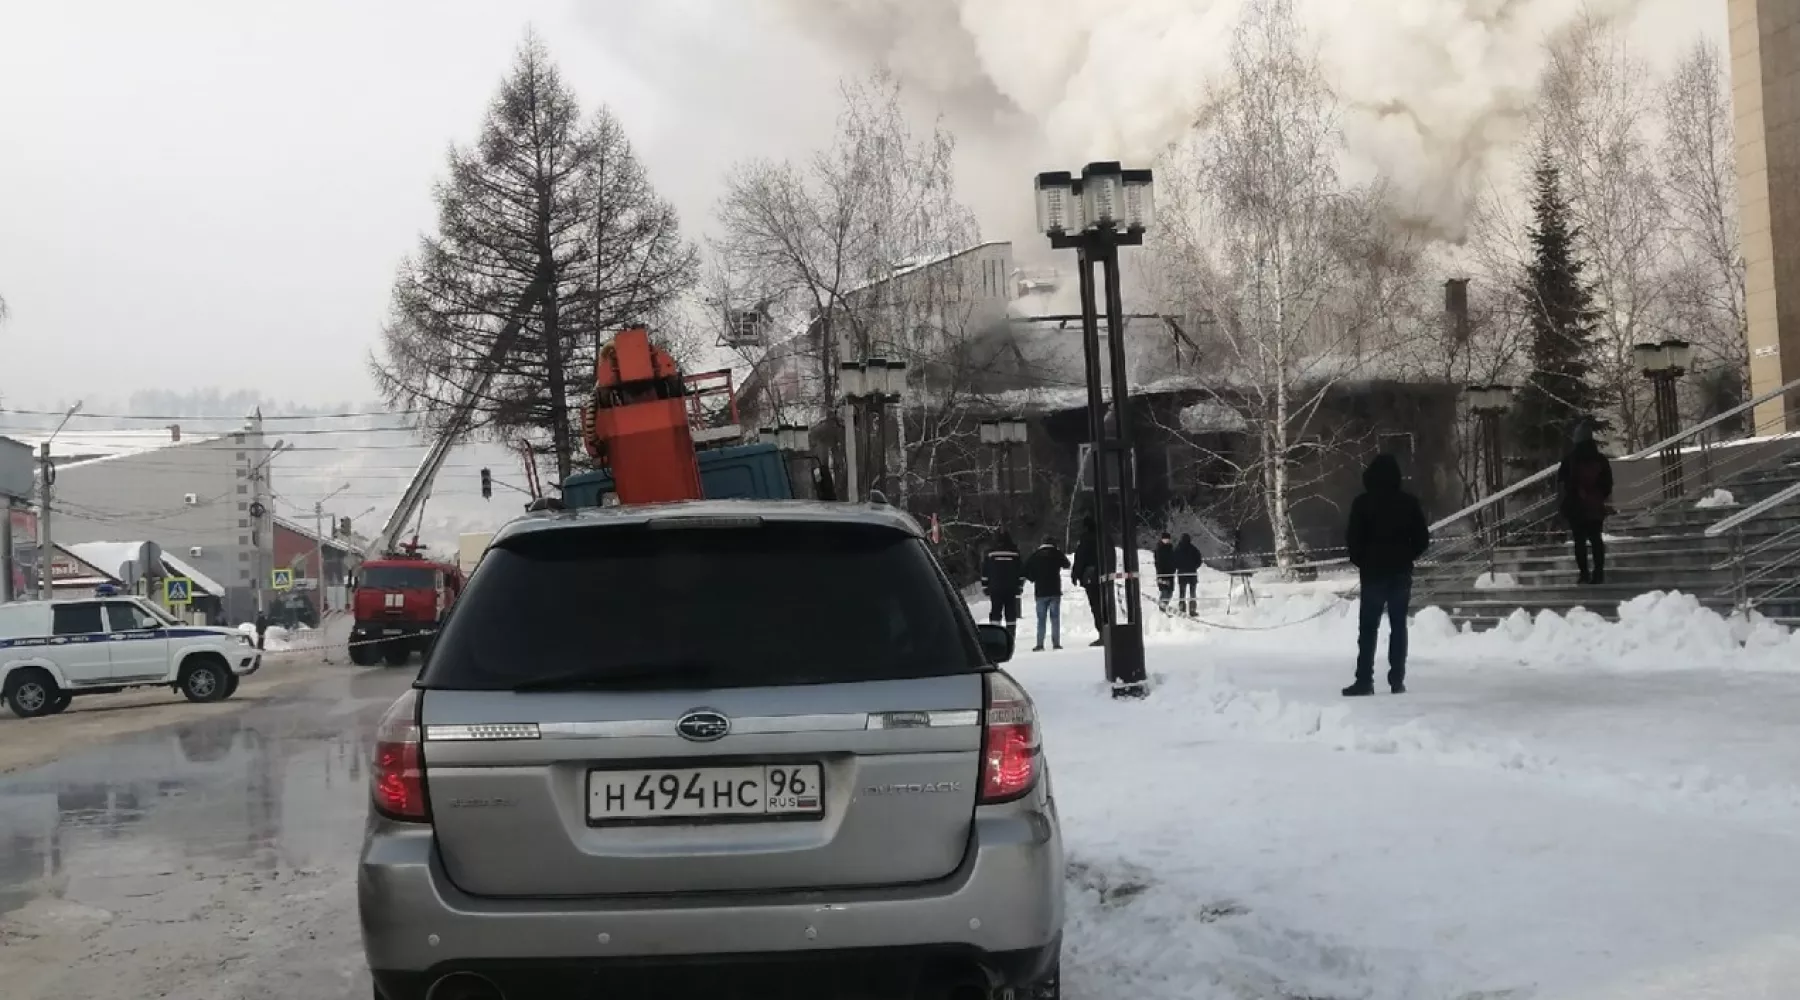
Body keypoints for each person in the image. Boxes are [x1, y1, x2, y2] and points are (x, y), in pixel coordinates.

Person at [1343, 453, 1431, 697]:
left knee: (1368, 629)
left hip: (1372, 574)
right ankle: (1396, 680)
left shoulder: (1362, 503)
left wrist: (1363, 561)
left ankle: (1364, 680)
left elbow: (1353, 539)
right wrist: (1406, 556)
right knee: (1398, 626)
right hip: (1400, 573)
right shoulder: (1408, 503)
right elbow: (1423, 539)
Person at [1557, 436, 1614, 585]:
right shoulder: (1600, 460)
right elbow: (1608, 483)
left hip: (1577, 507)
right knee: (1596, 539)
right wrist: (1599, 496)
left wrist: (1566, 502)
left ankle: (1584, 574)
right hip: (1595, 506)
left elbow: (1563, 483)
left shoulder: (1570, 460)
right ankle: (1598, 573)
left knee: (1579, 542)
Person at [1022, 535, 1071, 651]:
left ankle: (1040, 644)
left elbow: (1024, 570)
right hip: (1054, 590)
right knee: (1055, 618)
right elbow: (1067, 564)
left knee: (1041, 619)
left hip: (1040, 591)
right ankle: (1056, 643)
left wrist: (1033, 577)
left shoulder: (1036, 555)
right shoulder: (1056, 553)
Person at [980, 531, 1024, 639]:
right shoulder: (1015, 553)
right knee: (1010, 612)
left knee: (995, 611)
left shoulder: (990, 554)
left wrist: (985, 586)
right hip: (1011, 588)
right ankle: (1011, 635)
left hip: (995, 588)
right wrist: (1020, 586)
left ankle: (995, 634)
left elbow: (985, 571)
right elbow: (1021, 572)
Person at [1069, 515, 1105, 646]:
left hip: (1091, 577)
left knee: (1096, 605)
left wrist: (1075, 574)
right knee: (1106, 605)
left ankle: (1102, 633)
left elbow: (1080, 558)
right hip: (1105, 575)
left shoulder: (1085, 539)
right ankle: (1109, 632)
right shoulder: (1103, 537)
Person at [1172, 533, 1204, 616]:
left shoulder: (1177, 549)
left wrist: (1179, 567)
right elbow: (1199, 560)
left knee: (1182, 593)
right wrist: (1194, 567)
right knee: (1192, 593)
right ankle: (1192, 610)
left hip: (1182, 574)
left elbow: (1173, 561)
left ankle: (1182, 609)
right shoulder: (1193, 549)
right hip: (1192, 573)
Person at [1152, 532, 1176, 611]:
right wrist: (1160, 573)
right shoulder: (1158, 549)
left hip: (1170, 573)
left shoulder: (1171, 548)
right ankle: (1162, 608)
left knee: (1170, 592)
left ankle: (1164, 606)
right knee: (1164, 591)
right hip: (1161, 574)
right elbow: (1157, 562)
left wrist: (1173, 568)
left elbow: (1173, 560)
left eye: (1167, 539)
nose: (1166, 540)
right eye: (1165, 539)